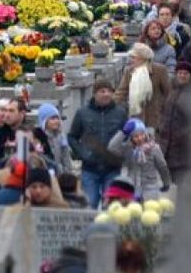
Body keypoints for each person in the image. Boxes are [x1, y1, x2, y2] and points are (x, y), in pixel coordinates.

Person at [68, 79, 129, 208]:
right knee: (90, 204)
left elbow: (127, 137)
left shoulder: (120, 113)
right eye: (102, 91)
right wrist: (82, 153)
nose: (106, 94)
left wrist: (122, 154)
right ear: (95, 94)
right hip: (90, 168)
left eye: (109, 91)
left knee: (111, 206)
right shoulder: (82, 113)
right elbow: (72, 137)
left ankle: (108, 228)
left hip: (112, 168)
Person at [108, 119, 171, 200]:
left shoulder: (154, 148)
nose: (140, 138)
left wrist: (166, 182)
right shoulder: (128, 149)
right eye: (136, 136)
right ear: (131, 138)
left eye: (142, 134)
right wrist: (123, 133)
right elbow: (112, 147)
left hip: (149, 189)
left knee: (150, 211)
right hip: (132, 188)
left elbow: (162, 166)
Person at [158, 60, 191, 186]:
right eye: (179, 73)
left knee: (183, 181)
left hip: (185, 146)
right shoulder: (172, 91)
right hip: (168, 143)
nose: (182, 76)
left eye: (185, 73)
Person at [115, 42, 171, 130]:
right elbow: (121, 92)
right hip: (136, 117)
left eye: (134, 57)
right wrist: (110, 104)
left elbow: (168, 92)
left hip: (155, 117)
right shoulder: (129, 71)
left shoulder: (160, 70)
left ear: (143, 59)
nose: (131, 60)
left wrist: (165, 111)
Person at [0, 98, 28, 165]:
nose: (6, 115)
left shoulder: (34, 133)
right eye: (6, 111)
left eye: (11, 111)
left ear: (22, 113)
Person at [34, 104, 72, 173]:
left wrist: (67, 174)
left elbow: (66, 158)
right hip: (45, 174)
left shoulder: (61, 137)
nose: (56, 121)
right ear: (44, 121)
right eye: (52, 118)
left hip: (60, 174)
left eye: (57, 118)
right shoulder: (38, 137)